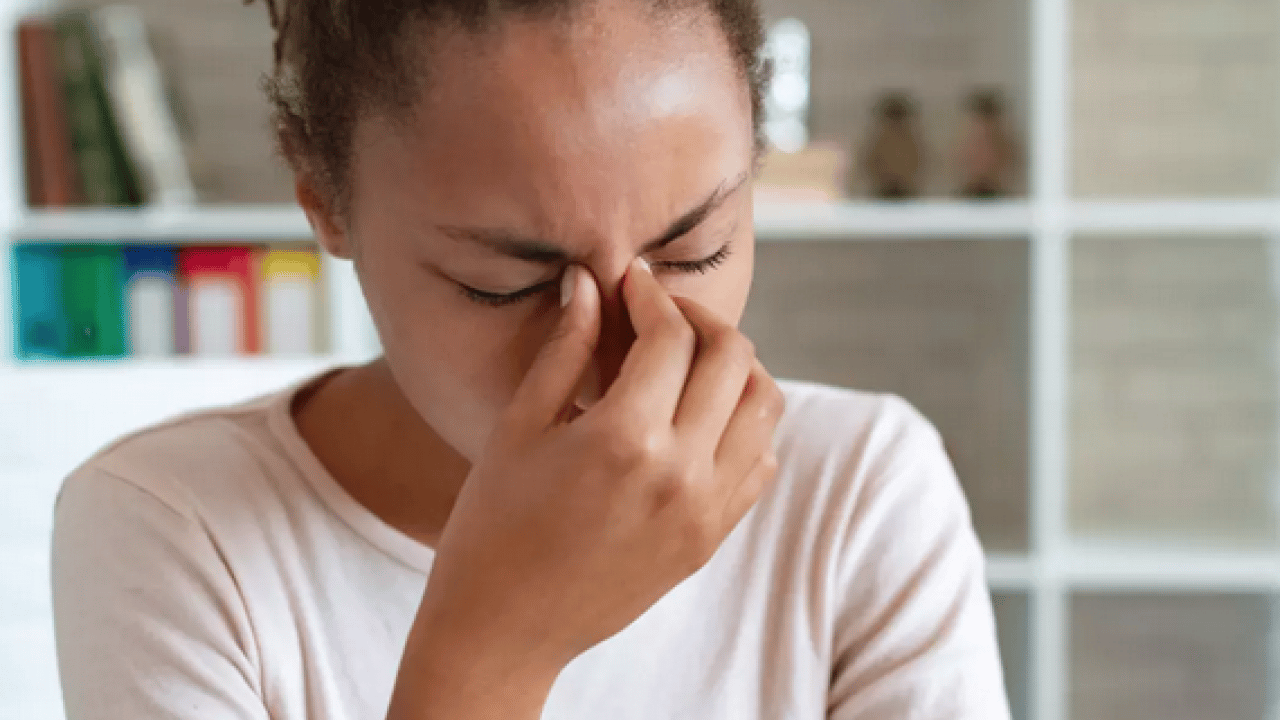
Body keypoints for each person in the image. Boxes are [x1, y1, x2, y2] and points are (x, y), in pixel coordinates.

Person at [50, 0, 1012, 717]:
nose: (626, 358)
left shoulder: (860, 492)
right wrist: (492, 652)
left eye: (693, 253)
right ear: (323, 201)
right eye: (504, 285)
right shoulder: (175, 529)